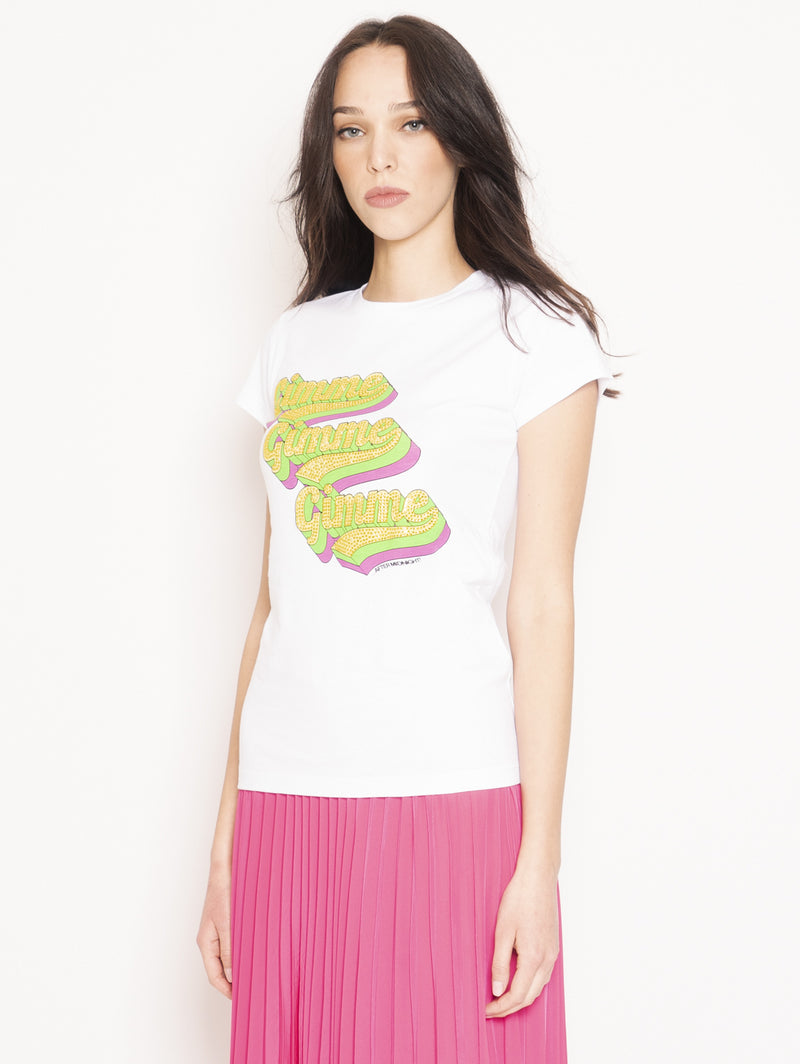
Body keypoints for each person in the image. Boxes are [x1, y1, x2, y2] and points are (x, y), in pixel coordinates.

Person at [197, 14, 622, 1064]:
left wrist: (537, 862)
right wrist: (225, 846)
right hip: (290, 796)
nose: (379, 156)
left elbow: (542, 603)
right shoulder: (297, 341)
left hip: (449, 790)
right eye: (351, 130)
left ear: (461, 138)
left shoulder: (534, 335)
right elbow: (273, 605)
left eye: (411, 122)